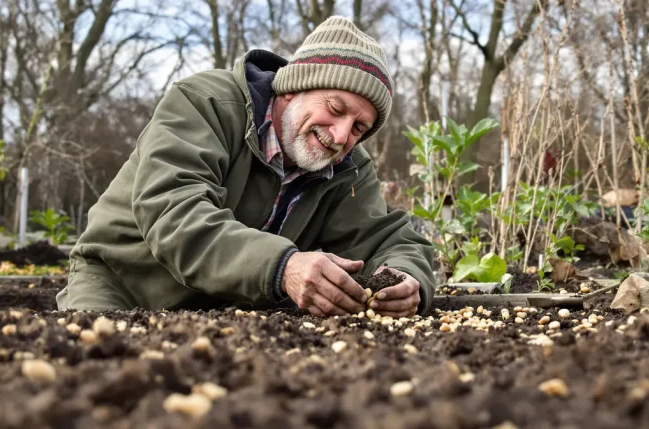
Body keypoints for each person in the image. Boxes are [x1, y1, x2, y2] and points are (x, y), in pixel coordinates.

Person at [56, 16, 435, 318]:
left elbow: (388, 237)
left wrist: (406, 279)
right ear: (293, 86)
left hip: (227, 311)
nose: (340, 136)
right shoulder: (205, 104)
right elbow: (173, 213)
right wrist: (283, 267)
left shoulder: (347, 167)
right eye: (335, 109)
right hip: (125, 283)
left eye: (359, 128)